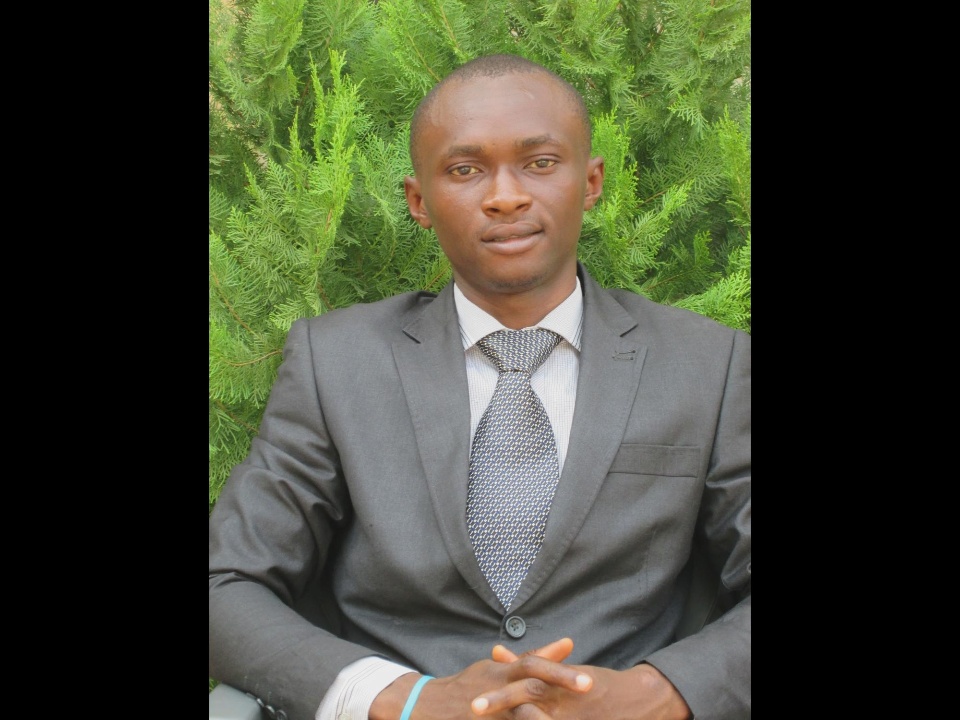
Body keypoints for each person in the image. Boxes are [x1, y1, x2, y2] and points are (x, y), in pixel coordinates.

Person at [209, 53, 751, 720]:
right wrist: (406, 699)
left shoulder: (709, 365)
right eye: (465, 170)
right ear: (419, 201)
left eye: (540, 162)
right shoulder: (338, 364)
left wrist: (655, 695)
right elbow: (226, 584)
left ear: (590, 182)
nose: (505, 196)